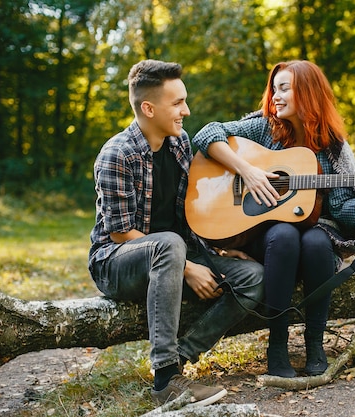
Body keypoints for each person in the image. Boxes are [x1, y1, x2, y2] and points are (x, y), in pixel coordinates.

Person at [192, 60, 355, 378]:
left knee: (317, 241)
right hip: (263, 238)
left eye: (284, 88)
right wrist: (248, 171)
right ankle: (277, 346)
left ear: (307, 93)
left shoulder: (333, 148)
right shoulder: (263, 128)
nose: (275, 96)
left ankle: (315, 345)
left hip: (310, 241)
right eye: (274, 89)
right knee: (283, 235)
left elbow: (343, 212)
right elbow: (207, 134)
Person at [88, 59, 264, 405]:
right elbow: (122, 234)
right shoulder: (117, 154)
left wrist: (214, 253)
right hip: (117, 264)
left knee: (252, 276)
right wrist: (187, 265)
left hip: (175, 253)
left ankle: (180, 358)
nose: (186, 110)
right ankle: (165, 381)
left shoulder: (179, 142)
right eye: (178, 103)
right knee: (168, 244)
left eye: (184, 100)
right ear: (149, 108)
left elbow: (185, 213)